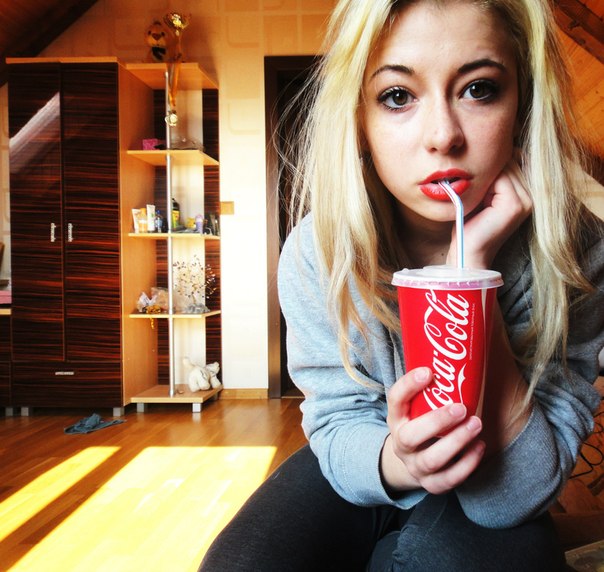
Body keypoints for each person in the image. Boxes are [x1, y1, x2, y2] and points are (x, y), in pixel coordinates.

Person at [199, 0, 604, 570]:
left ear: (524, 105)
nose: (443, 136)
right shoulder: (319, 251)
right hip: (372, 454)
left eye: (479, 89)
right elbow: (338, 420)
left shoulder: (578, 251)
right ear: (359, 121)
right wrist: (400, 460)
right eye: (397, 96)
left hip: (499, 476)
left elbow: (517, 495)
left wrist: (469, 273)